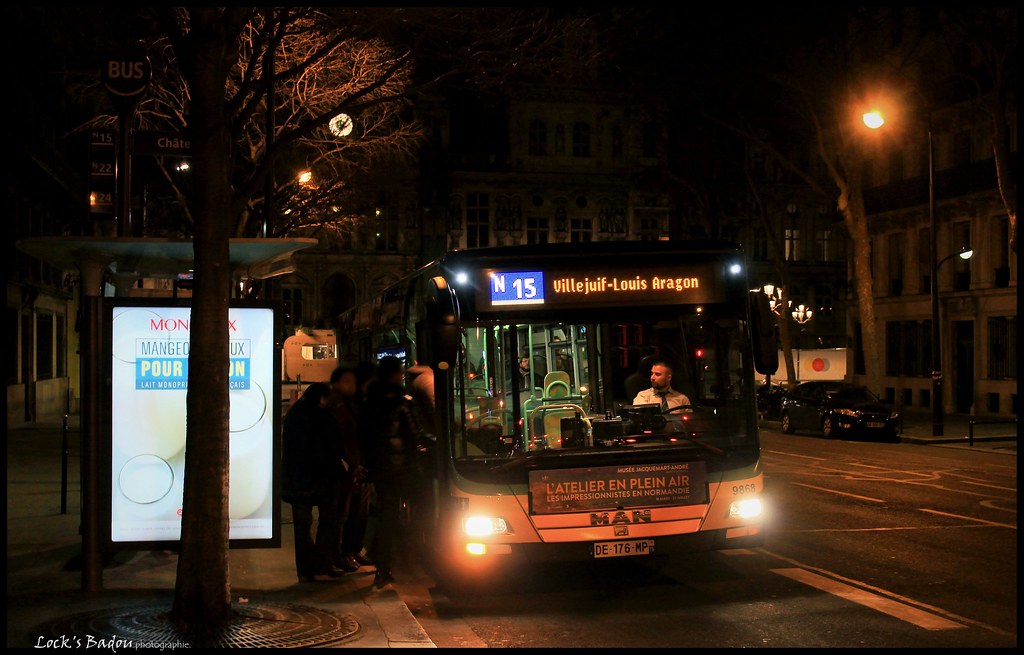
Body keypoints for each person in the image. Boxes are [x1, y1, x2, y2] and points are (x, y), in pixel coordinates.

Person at [360, 356, 434, 588]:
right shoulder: (401, 401)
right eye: (400, 372)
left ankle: (381, 563)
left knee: (387, 516)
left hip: (380, 468)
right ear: (394, 375)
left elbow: (365, 438)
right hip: (401, 468)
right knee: (424, 506)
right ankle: (415, 554)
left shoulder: (370, 401)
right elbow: (413, 434)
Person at [281, 382, 348, 582]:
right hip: (321, 479)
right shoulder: (323, 418)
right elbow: (332, 449)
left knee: (302, 528)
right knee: (328, 522)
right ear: (322, 398)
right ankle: (322, 563)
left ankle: (305, 570)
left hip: (297, 481)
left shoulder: (294, 416)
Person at [327, 365, 366, 573]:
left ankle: (347, 552)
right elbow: (340, 441)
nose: (351, 386)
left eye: (353, 382)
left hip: (350, 467)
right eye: (346, 382)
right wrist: (352, 464)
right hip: (344, 470)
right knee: (341, 515)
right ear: (336, 384)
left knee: (351, 513)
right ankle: (340, 555)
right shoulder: (338, 407)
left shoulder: (350, 405)